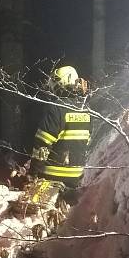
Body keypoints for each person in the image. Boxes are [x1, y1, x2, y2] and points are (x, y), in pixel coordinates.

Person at [27, 65, 91, 205]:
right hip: (76, 176)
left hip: (52, 175)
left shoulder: (56, 108)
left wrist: (33, 173)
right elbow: (87, 142)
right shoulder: (86, 111)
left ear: (61, 83)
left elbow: (42, 144)